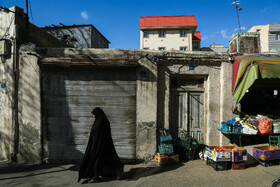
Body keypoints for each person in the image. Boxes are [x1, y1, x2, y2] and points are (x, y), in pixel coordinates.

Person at [78, 107, 124, 183]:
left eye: (94, 114)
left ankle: (97, 177)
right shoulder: (98, 121)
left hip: (102, 146)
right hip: (98, 146)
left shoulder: (102, 122)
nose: (93, 116)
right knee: (104, 161)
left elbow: (103, 135)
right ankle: (102, 175)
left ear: (98, 114)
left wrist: (96, 146)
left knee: (103, 161)